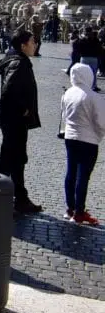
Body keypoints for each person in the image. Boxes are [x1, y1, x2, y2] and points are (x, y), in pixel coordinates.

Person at [0, 30, 43, 215]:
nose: (35, 44)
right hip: (14, 120)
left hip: (12, 119)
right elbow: (9, 89)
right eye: (32, 41)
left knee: (15, 158)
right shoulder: (19, 63)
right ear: (23, 45)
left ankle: (19, 198)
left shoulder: (15, 60)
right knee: (10, 158)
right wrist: (23, 108)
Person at [60, 63, 105, 225]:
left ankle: (70, 208)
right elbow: (101, 123)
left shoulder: (67, 93)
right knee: (83, 176)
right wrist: (99, 136)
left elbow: (64, 115)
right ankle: (79, 212)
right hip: (89, 140)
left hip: (70, 137)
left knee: (70, 173)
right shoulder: (92, 96)